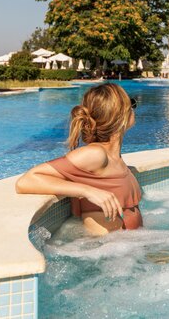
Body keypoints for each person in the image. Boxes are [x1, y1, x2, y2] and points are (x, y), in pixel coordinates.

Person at [15, 83, 142, 235]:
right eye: (131, 103)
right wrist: (87, 191)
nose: (134, 108)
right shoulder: (96, 154)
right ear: (120, 114)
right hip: (107, 245)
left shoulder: (114, 157)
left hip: (127, 243)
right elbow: (26, 181)